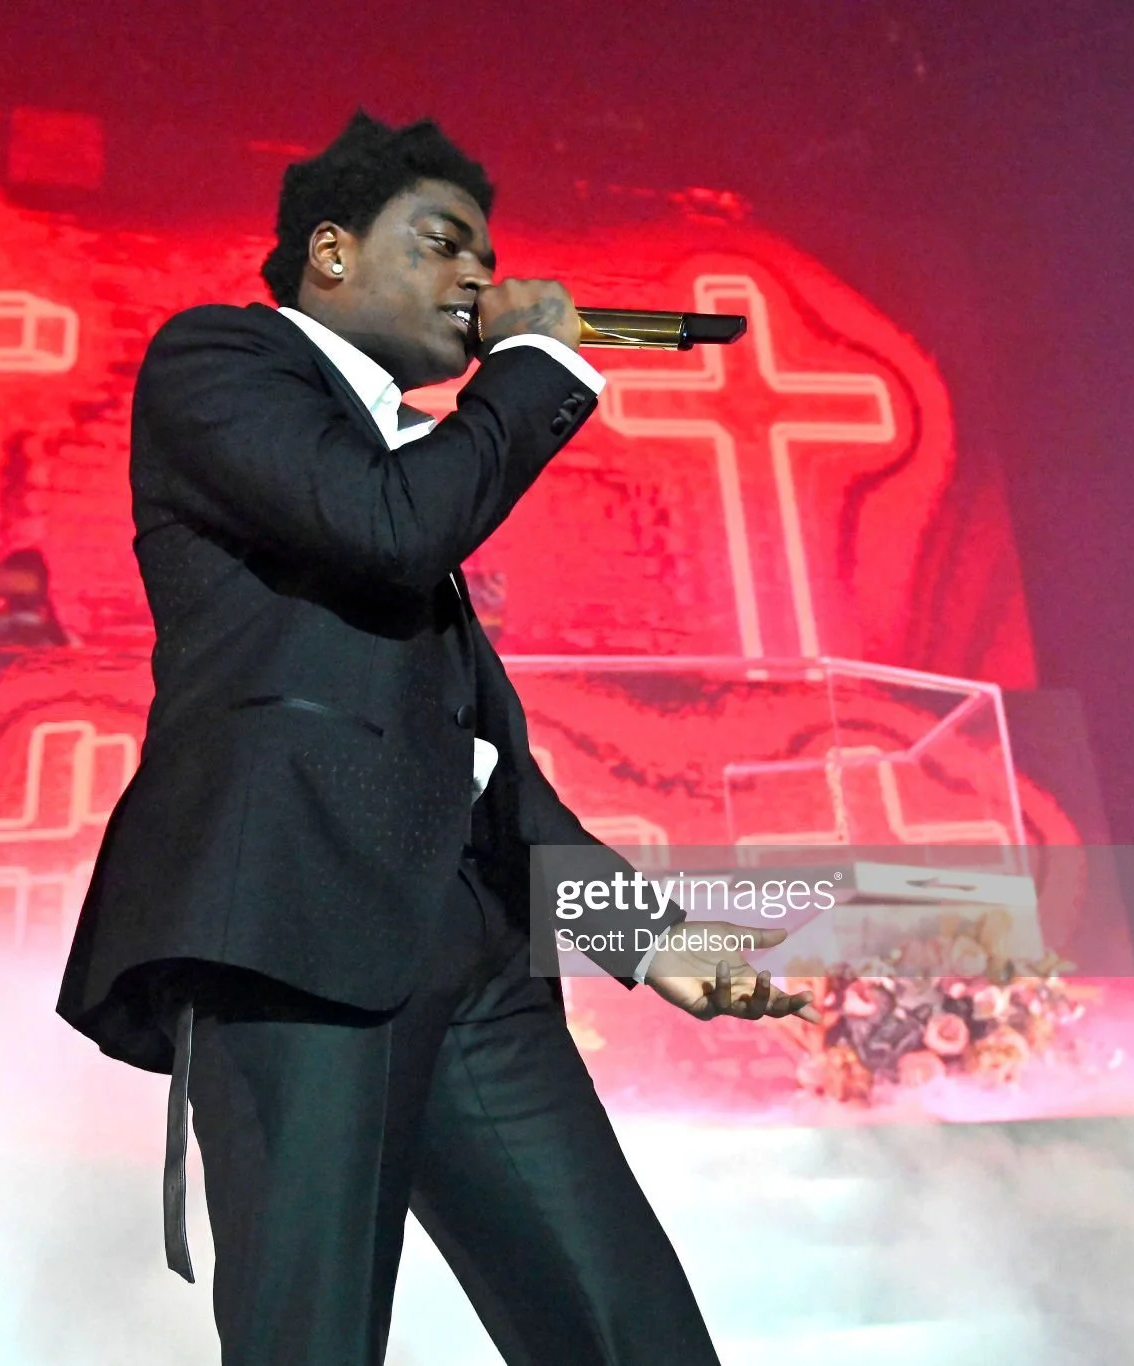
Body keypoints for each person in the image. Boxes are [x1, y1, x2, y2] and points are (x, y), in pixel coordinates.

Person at [56, 111, 816, 1365]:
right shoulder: (219, 363)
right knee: (314, 1334)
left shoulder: (411, 459)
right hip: (292, 925)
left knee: (625, 1326)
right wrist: (536, 369)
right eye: (443, 243)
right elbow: (389, 528)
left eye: (486, 255)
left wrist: (646, 936)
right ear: (332, 253)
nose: (476, 277)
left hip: (470, 949)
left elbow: (478, 768)